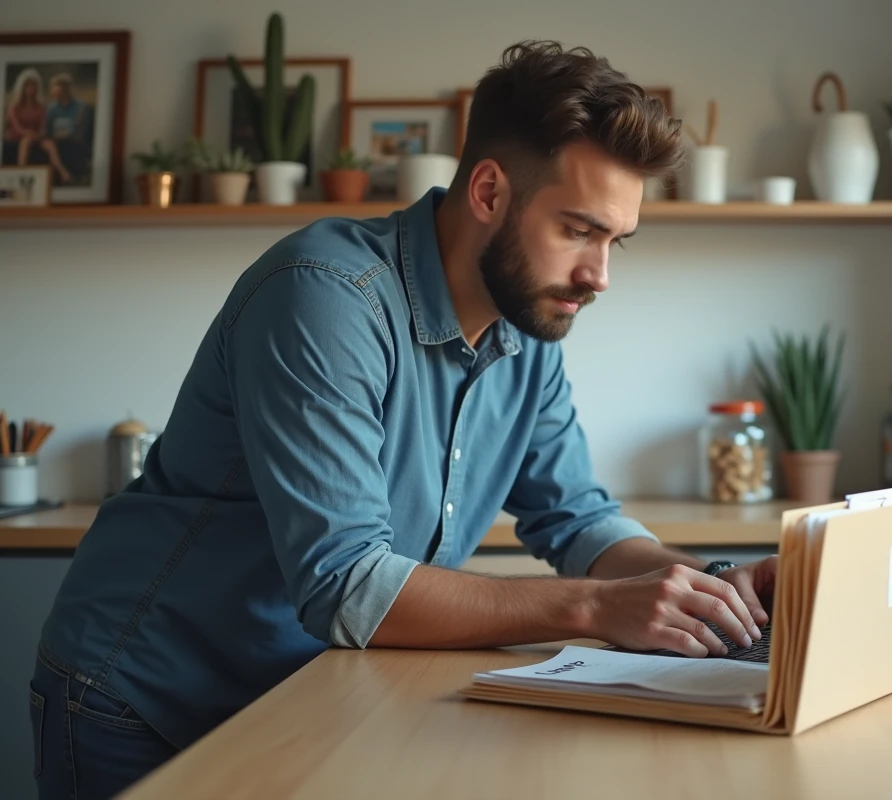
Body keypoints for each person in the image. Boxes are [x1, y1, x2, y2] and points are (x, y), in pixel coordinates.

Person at [30, 40, 779, 798]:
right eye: (578, 230)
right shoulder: (325, 297)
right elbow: (347, 584)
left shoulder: (530, 324)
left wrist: (718, 592)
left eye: (616, 241)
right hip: (148, 698)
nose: (600, 276)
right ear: (488, 192)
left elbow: (578, 519)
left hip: (305, 690)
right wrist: (595, 607)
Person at [3, 68, 72, 183]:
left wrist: (39, 134)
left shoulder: (40, 106)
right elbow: (16, 127)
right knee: (26, 141)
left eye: (33, 85)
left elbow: (42, 126)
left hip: (36, 136)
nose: (31, 88)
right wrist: (29, 134)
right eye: (28, 86)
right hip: (19, 136)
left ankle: (62, 172)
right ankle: (21, 173)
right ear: (22, 87)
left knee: (50, 144)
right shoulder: (15, 106)